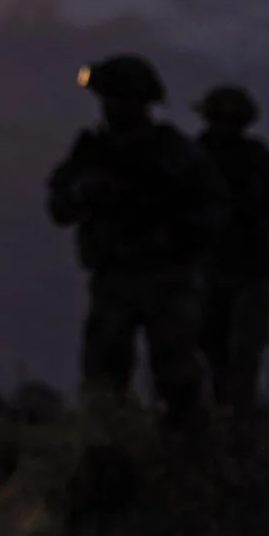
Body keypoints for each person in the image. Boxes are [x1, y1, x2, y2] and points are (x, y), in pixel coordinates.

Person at [46, 54, 226, 427]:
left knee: (177, 373)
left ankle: (186, 453)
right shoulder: (92, 150)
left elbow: (212, 211)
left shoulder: (175, 152)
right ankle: (108, 449)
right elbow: (60, 206)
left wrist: (170, 230)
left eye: (117, 99)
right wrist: (86, 193)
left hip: (169, 276)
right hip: (114, 275)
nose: (110, 108)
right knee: (104, 373)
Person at [191, 84, 269, 416]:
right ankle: (218, 408)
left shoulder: (259, 160)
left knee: (245, 347)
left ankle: (237, 413)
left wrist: (252, 222)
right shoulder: (193, 156)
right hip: (206, 265)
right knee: (208, 343)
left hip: (249, 266)